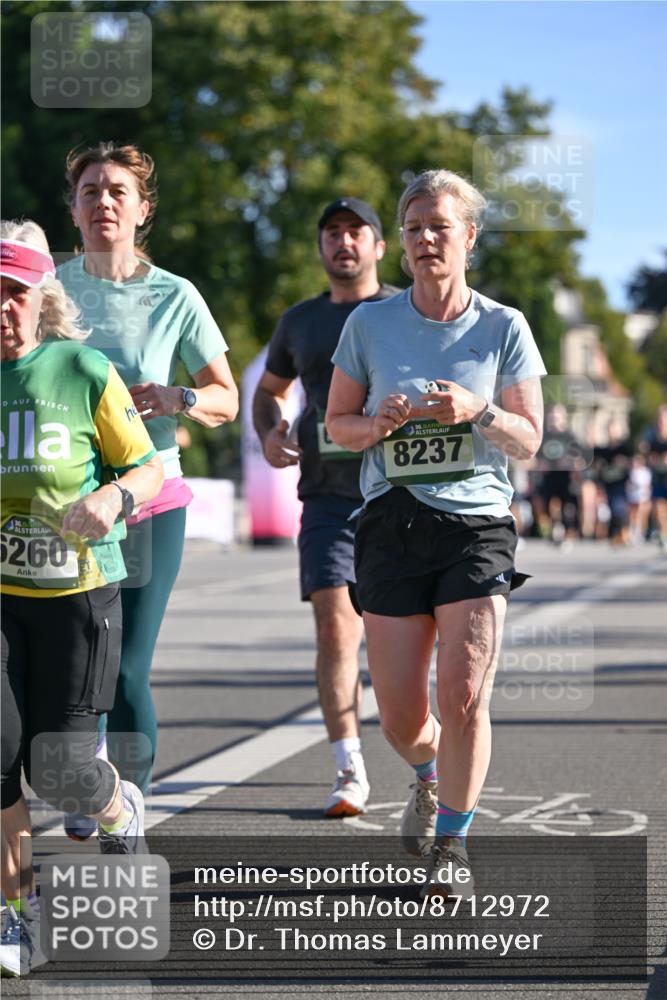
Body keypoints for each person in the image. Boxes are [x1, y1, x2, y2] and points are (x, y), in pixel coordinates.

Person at [326, 169, 546, 895]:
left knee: (463, 696)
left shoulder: (503, 326)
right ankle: (426, 773)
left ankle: (452, 842)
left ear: (468, 237)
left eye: (440, 227)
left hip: (476, 526)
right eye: (414, 228)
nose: (426, 239)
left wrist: (478, 412)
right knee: (399, 716)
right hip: (391, 523)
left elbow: (529, 439)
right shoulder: (369, 325)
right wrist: (375, 424)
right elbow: (337, 425)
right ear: (401, 241)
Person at [57, 142, 238, 836]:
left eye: (118, 192)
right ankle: (91, 780)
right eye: (91, 191)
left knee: (126, 666)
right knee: (73, 662)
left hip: (149, 497)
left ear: (142, 210)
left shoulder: (174, 295)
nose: (104, 201)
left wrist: (177, 396)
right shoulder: (49, 290)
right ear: (73, 209)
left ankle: (127, 810)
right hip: (64, 502)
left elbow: (224, 397)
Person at [0, 221, 164, 976]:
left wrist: (112, 498)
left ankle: (116, 807)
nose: (3, 308)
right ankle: (15, 916)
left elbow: (147, 468)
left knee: (58, 771)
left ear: (41, 298)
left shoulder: (82, 368)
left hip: (77, 594)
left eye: (15, 292)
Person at [252, 198, 399, 816]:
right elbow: (268, 391)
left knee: (401, 638)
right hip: (327, 498)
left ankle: (425, 757)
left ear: (378, 246)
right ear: (321, 248)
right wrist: (270, 432)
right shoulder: (300, 321)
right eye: (332, 232)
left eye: (356, 231)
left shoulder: (404, 311)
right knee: (337, 627)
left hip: (400, 495)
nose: (343, 241)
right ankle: (348, 766)